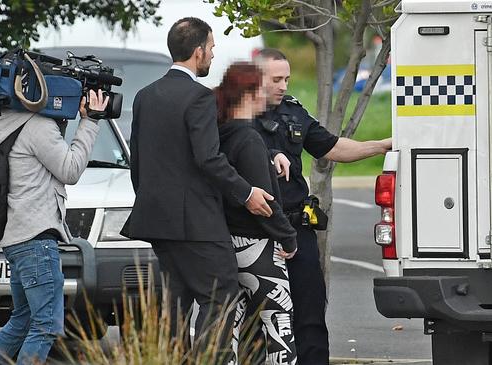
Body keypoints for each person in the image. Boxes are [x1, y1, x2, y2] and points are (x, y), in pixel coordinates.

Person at [119, 17, 275, 360]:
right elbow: (209, 159)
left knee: (174, 308)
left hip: (156, 220)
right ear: (198, 51)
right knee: (220, 296)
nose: (213, 55)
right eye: (212, 48)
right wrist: (247, 193)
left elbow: (138, 161)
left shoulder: (145, 96)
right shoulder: (199, 97)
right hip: (197, 224)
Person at [253, 48, 392, 364]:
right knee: (256, 316)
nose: (284, 85)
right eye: (276, 79)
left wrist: (381, 145)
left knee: (310, 312)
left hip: (296, 228)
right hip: (255, 231)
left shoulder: (293, 111)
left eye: (287, 78)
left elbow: (332, 147)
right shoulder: (235, 118)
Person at [0, 89, 110, 365]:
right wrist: (91, 121)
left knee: (22, 320)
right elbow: (70, 170)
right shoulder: (38, 126)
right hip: (36, 239)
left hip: (17, 236)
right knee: (46, 325)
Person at [215, 62, 298, 365]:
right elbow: (264, 203)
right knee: (279, 327)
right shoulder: (249, 139)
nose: (272, 91)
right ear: (249, 93)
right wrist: (288, 238)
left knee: (230, 330)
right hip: (259, 249)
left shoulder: (218, 136)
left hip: (226, 245)